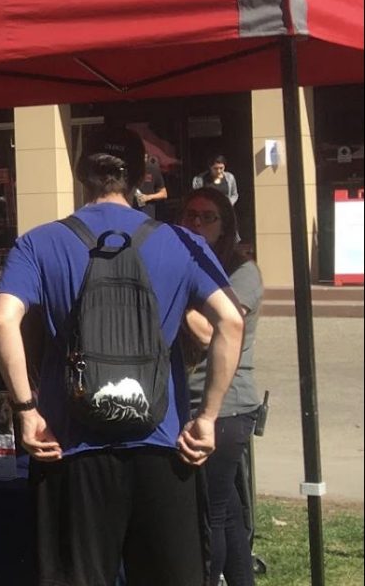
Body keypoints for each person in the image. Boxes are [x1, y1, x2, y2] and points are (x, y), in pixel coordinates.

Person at [0, 126, 244, 586]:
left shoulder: (38, 243)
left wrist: (26, 410)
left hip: (67, 445)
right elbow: (231, 322)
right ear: (141, 177)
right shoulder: (182, 242)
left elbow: (2, 319)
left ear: (81, 173)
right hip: (163, 443)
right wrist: (207, 416)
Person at [180, 187, 263, 586]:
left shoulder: (242, 272)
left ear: (225, 225)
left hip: (225, 409)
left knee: (208, 515)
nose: (196, 223)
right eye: (190, 215)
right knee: (228, 513)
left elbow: (208, 333)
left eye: (207, 216)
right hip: (193, 403)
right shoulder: (188, 265)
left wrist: (175, 298)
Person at [133, 153, 168, 218]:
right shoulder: (128, 171)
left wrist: (148, 197)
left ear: (146, 157)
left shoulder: (153, 169)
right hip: (131, 212)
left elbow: (164, 194)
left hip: (147, 213)